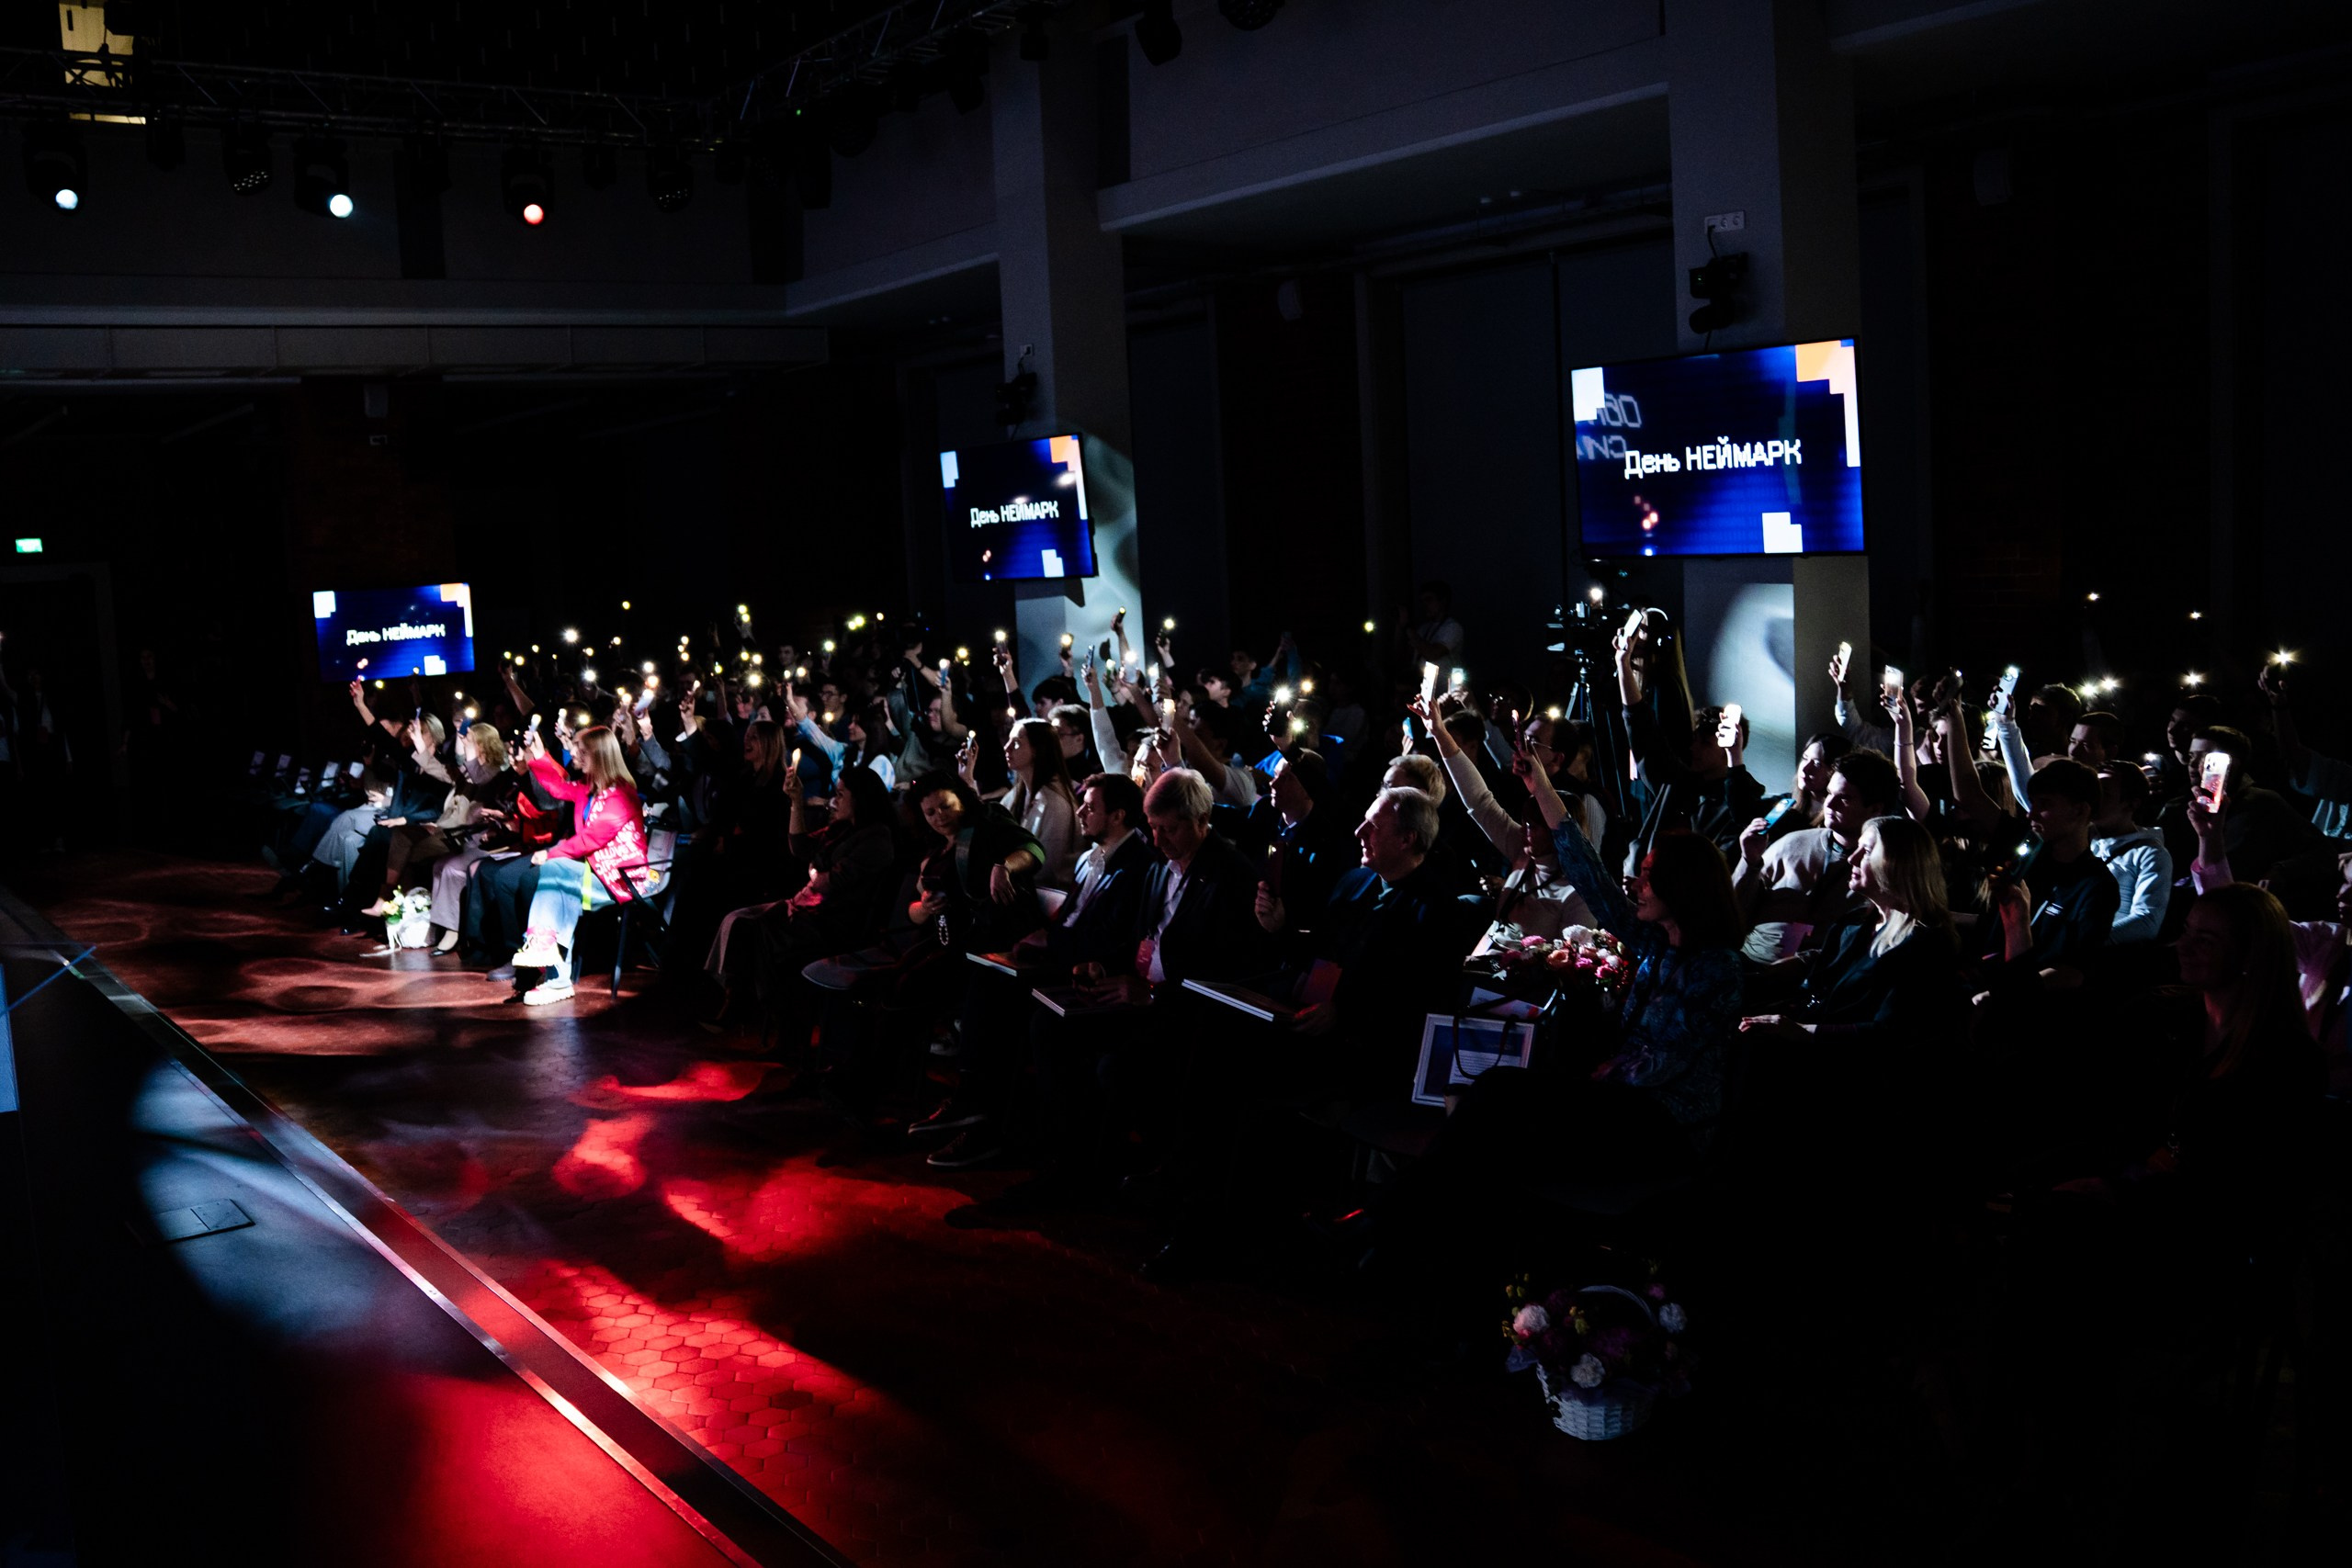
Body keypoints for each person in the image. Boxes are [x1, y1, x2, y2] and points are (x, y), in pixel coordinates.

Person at [510, 724, 653, 1006]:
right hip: (594, 873)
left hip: (621, 878)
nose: (573, 752)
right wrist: (539, 756)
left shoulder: (621, 795)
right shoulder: (588, 789)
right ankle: (555, 975)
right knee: (557, 881)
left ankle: (554, 973)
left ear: (598, 755)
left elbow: (590, 840)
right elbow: (557, 788)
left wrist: (550, 853)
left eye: (580, 749)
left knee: (555, 870)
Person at [1733, 749, 1903, 966]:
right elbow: (1732, 913)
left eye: (1844, 798)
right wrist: (1749, 862)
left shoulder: (1885, 867)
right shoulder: (1792, 843)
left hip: (1819, 977)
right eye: (1830, 793)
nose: (1829, 805)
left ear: (1875, 809)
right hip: (1750, 962)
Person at [1977, 758, 2118, 1001]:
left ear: (2080, 810)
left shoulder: (2097, 886)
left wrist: (2000, 995)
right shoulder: (2027, 862)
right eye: (2032, 803)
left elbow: (2074, 971)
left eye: (2045, 804)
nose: (2031, 814)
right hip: (1988, 980)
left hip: (2033, 1007)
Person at [2091, 761, 2170, 945]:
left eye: (2105, 794)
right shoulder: (2079, 837)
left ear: (2131, 804)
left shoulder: (2150, 854)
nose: (2095, 800)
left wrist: (2086, 942)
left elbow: (2147, 920)